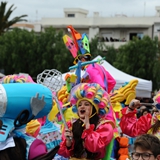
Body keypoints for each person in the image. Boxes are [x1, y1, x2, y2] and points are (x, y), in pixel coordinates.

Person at [58, 83, 115, 160]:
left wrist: (88, 127)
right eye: (79, 104)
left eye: (87, 104)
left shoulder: (104, 126)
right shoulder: (71, 124)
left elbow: (94, 147)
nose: (82, 106)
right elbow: (65, 153)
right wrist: (68, 142)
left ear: (95, 108)